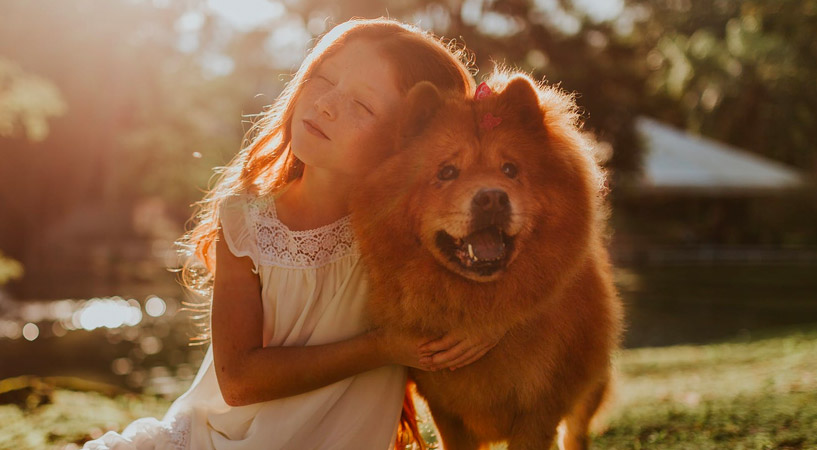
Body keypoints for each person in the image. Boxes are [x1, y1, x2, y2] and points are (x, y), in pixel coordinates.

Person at [83, 17, 503, 450]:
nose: (325, 104)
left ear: (411, 141)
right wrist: (384, 348)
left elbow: (524, 278)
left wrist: (497, 323)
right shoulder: (246, 220)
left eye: (363, 105)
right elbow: (239, 381)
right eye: (323, 78)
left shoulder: (414, 235)